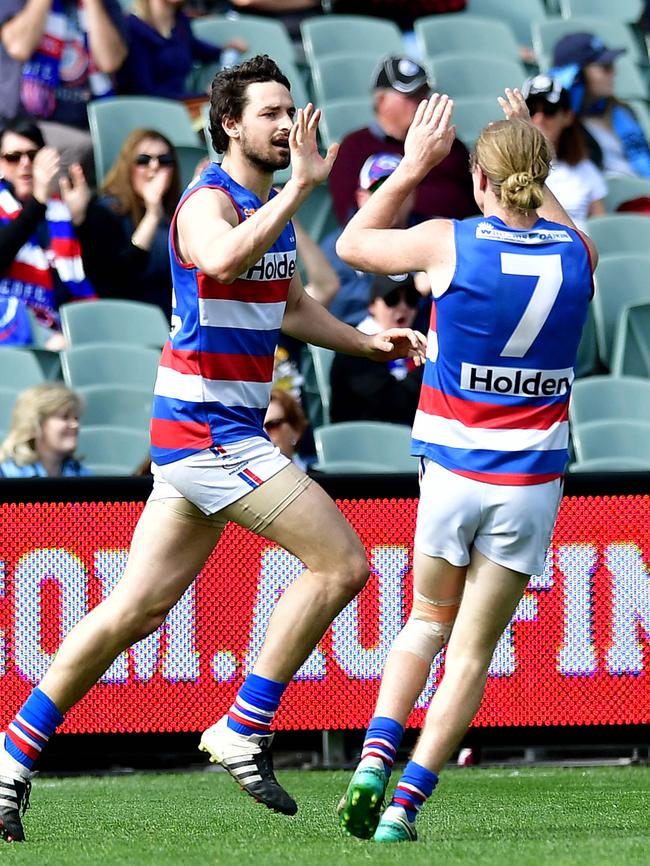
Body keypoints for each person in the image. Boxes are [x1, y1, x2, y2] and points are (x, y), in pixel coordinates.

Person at [0, 53, 426, 843]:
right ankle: (244, 724)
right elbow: (221, 257)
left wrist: (371, 345)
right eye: (270, 111)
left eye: (290, 108)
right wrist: (300, 184)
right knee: (343, 564)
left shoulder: (269, 204)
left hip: (207, 437)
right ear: (230, 124)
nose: (286, 122)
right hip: (210, 432)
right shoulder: (206, 200)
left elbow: (290, 304)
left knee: (136, 608)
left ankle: (9, 758)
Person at [335, 88, 596, 842]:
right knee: (473, 654)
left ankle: (371, 763)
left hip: (451, 470)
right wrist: (525, 146)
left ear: (479, 180)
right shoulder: (577, 252)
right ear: (540, 180)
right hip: (530, 483)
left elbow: (354, 243)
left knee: (423, 625)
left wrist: (414, 165)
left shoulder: (450, 240)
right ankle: (404, 810)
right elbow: (563, 226)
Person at [328, 55, 475, 226]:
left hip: (454, 241)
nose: (423, 102)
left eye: (424, 94)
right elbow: (350, 216)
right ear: (382, 100)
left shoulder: (449, 144)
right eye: (412, 96)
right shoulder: (355, 147)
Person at [59, 128, 182, 318]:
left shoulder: (180, 215)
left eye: (164, 160)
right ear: (128, 166)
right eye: (143, 160)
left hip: (172, 321)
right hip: (124, 321)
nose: (154, 166)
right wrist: (152, 215)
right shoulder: (104, 212)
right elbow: (115, 282)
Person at [0, 0, 127, 180]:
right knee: (83, 148)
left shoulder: (106, 4)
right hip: (26, 124)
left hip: (87, 125)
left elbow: (110, 61)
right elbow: (19, 46)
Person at [0, 119, 95, 347]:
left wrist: (80, 221)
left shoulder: (60, 211)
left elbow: (102, 280)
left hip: (60, 324)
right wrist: (38, 202)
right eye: (13, 157)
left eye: (33, 156)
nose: (25, 164)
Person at [323, 152, 422, 326]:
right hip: (359, 344)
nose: (391, 198)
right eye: (380, 189)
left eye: (400, 189)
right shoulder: (337, 246)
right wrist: (413, 292)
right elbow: (339, 306)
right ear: (361, 198)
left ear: (412, 196)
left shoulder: (429, 235)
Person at [550, 31, 650, 179]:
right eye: (605, 67)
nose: (614, 73)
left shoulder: (622, 110)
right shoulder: (561, 124)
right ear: (577, 75)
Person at [330, 273, 423, 424]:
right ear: (372, 305)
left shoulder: (416, 342)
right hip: (363, 442)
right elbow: (394, 405)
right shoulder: (354, 348)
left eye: (411, 299)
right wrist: (427, 366)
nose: (403, 307)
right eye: (392, 299)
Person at [522, 74, 607, 230]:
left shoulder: (586, 169)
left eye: (549, 110)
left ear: (568, 116)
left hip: (581, 251)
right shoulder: (509, 170)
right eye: (531, 110)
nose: (539, 118)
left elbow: (602, 230)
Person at [118, 0, 246, 100]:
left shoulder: (180, 21)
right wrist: (202, 96)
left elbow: (192, 47)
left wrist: (223, 49)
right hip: (152, 113)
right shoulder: (133, 28)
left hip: (184, 103)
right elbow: (145, 92)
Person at [0, 383, 91, 478]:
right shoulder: (6, 474)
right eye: (65, 417)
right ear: (35, 424)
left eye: (76, 418)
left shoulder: (81, 474)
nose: (75, 425)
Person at [264, 387, 309, 470]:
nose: (263, 435)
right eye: (256, 429)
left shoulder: (325, 482)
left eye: (273, 425)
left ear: (296, 429)